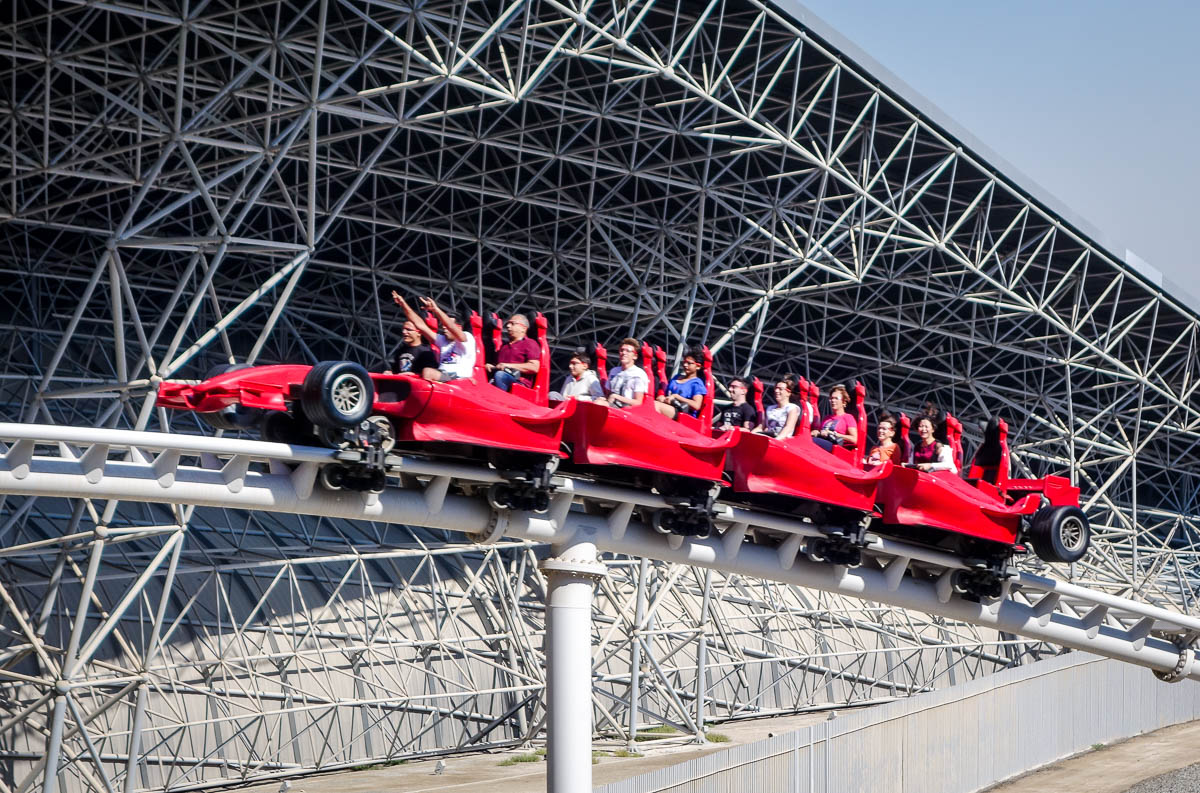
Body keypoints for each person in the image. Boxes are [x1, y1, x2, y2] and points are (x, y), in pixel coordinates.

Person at [393, 293, 475, 381]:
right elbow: (420, 325)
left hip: (459, 379)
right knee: (415, 374)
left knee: (427, 372)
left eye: (446, 325)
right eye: (443, 325)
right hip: (442, 376)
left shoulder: (467, 338)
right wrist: (403, 304)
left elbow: (451, 326)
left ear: (459, 327)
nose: (444, 327)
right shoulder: (443, 340)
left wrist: (436, 310)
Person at [388, 291, 439, 374]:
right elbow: (395, 371)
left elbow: (429, 375)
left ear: (419, 332)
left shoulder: (425, 352)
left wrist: (413, 375)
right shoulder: (400, 351)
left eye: (409, 330)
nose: (404, 332)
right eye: (403, 329)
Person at [487, 313, 541, 391]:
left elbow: (534, 367)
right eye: (508, 324)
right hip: (501, 378)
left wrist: (508, 366)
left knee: (500, 375)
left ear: (523, 328)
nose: (508, 326)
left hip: (520, 383)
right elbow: (500, 365)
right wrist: (491, 367)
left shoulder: (530, 343)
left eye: (512, 323)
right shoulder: (504, 346)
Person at [654, 348, 707, 419]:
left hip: (683, 414)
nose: (685, 365)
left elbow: (696, 405)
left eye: (689, 363)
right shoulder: (677, 377)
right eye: (684, 362)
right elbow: (667, 394)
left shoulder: (696, 383)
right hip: (669, 407)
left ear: (698, 366)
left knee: (655, 406)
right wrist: (663, 398)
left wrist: (677, 397)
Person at [596, 338, 648, 409]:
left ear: (635, 356)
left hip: (627, 409)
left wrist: (616, 396)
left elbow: (638, 402)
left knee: (599, 404)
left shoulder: (639, 374)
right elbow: (608, 394)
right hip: (613, 405)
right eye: (621, 350)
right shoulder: (614, 371)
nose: (624, 353)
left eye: (628, 351)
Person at [812, 384, 858, 453]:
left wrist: (834, 434)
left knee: (811, 441)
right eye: (831, 398)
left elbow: (854, 439)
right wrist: (817, 432)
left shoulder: (848, 417)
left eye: (836, 398)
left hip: (835, 447)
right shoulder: (827, 418)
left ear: (843, 402)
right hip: (822, 443)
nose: (833, 401)